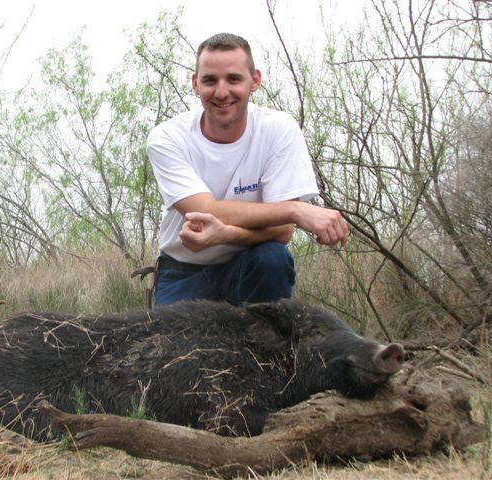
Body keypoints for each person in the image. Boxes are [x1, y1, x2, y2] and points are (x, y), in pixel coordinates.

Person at [147, 32, 348, 307]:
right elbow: (206, 212)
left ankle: (265, 348)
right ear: (195, 84)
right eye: (209, 80)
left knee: (273, 258)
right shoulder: (168, 137)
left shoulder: (279, 130)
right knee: (174, 351)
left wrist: (228, 235)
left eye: (233, 79)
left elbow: (282, 232)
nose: (221, 92)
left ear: (255, 81)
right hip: (184, 269)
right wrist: (296, 210)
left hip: (251, 262)